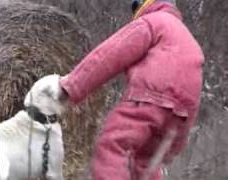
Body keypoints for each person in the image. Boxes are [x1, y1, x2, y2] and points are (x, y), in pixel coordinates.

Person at [33, 0, 204, 179]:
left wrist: (71, 86)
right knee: (145, 163)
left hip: (148, 100)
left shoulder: (151, 22)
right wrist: (175, 145)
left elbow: (110, 55)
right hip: (179, 116)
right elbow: (192, 98)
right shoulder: (190, 41)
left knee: (112, 146)